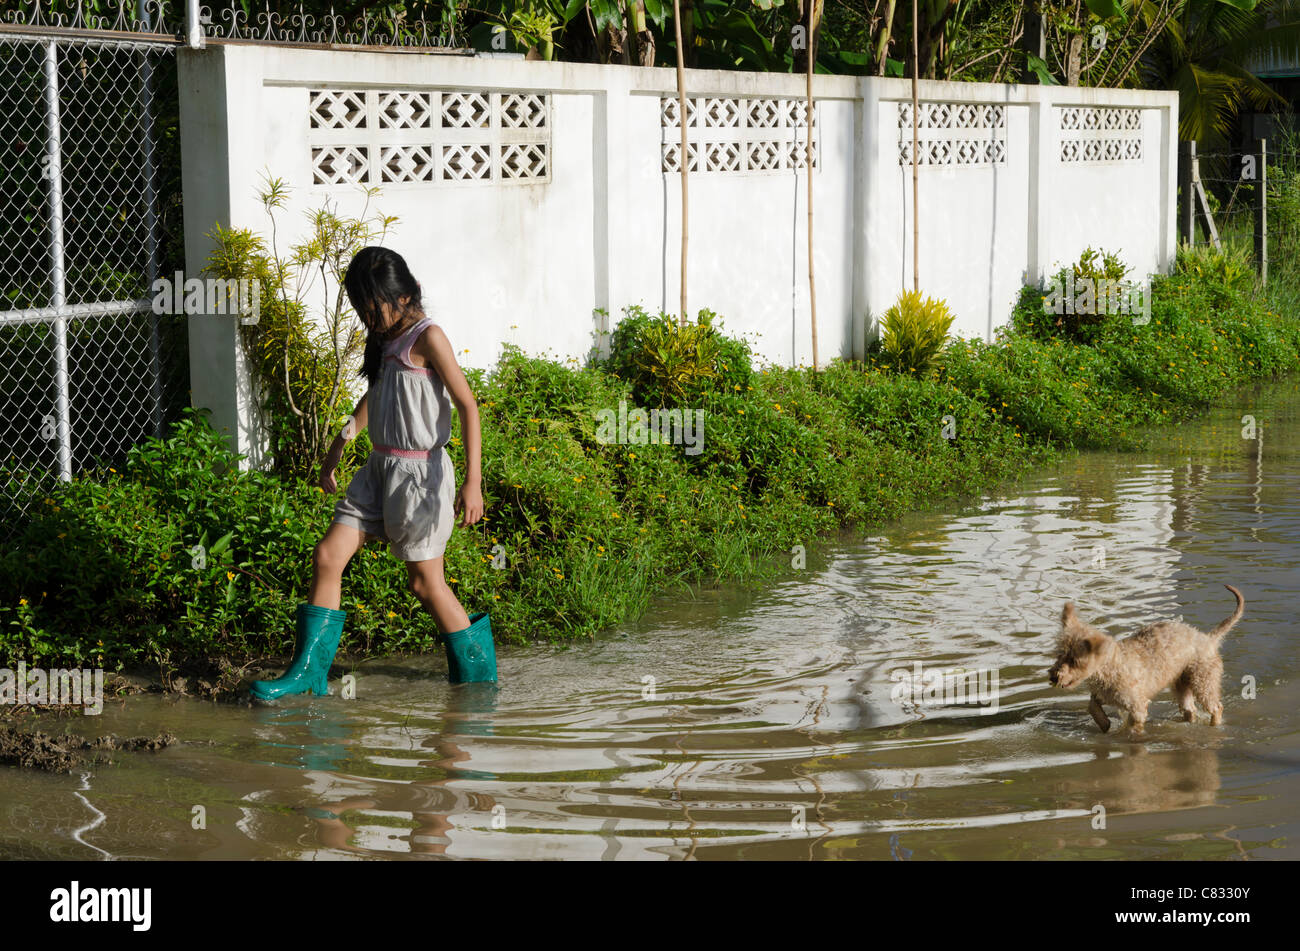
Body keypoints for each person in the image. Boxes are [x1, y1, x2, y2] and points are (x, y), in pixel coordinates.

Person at [250, 246, 495, 701]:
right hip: (377, 470)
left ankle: (478, 683)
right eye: (362, 307)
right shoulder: (384, 341)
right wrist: (340, 444)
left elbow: (467, 405)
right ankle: (308, 675)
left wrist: (473, 481)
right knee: (327, 556)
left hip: (420, 478)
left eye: (373, 305)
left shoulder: (428, 336)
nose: (368, 316)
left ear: (405, 296)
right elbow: (375, 398)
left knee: (425, 583)